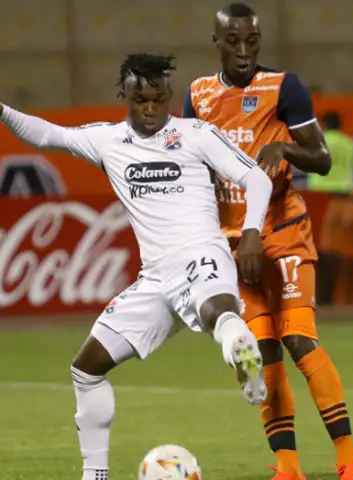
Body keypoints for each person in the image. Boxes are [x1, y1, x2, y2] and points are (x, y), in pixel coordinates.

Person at [0, 53, 274, 480]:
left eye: (158, 99)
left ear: (169, 97)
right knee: (86, 368)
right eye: (139, 99)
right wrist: (2, 110)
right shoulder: (107, 141)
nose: (149, 109)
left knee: (216, 308)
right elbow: (47, 135)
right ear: (123, 96)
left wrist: (253, 231)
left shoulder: (196, 133)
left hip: (202, 253)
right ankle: (95, 475)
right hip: (154, 278)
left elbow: (257, 179)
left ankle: (241, 349)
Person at [182, 4, 353, 480]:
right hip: (231, 246)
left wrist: (286, 147)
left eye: (252, 41)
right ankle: (288, 468)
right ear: (217, 41)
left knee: (300, 340)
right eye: (234, 42)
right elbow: (193, 172)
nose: (244, 52)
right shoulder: (198, 95)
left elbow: (323, 159)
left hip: (283, 234)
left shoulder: (284, 87)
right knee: (262, 351)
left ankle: (350, 462)